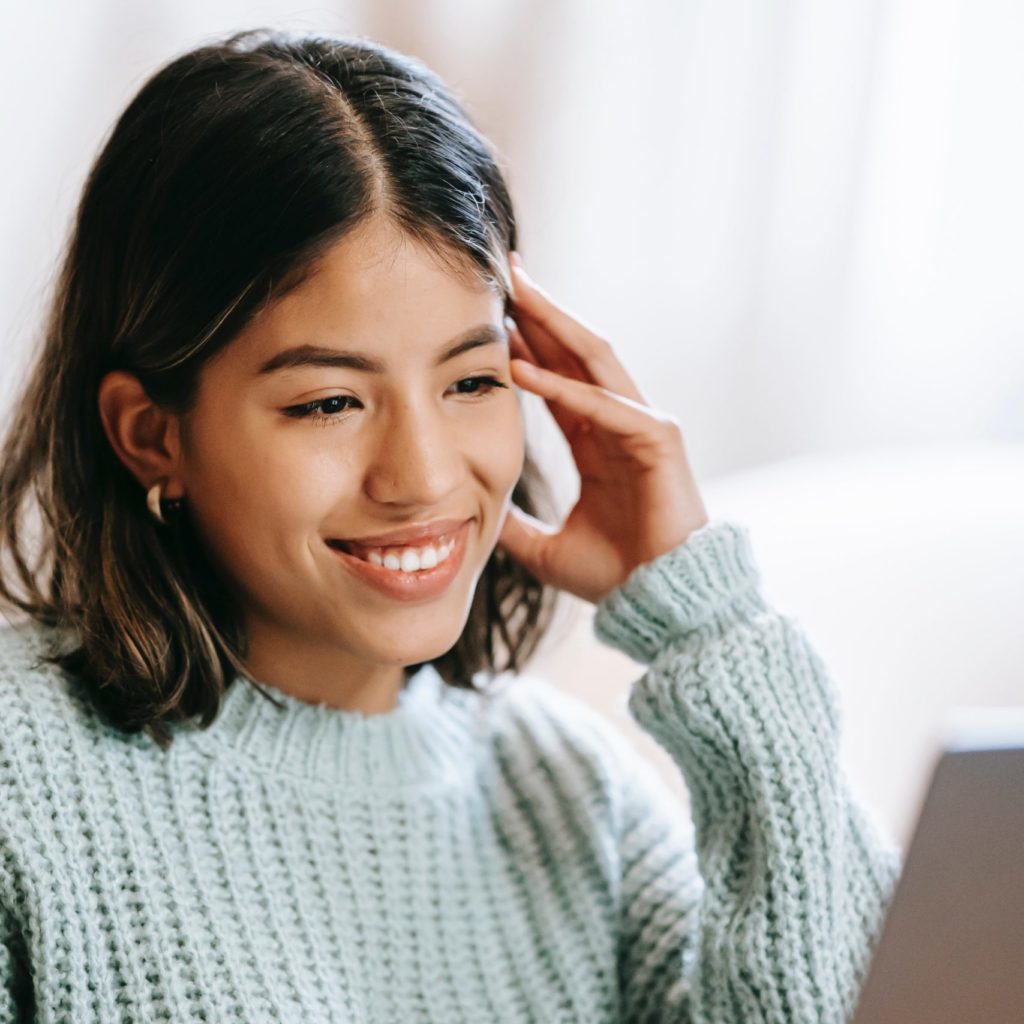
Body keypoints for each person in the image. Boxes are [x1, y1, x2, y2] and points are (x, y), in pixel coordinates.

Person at [0, 26, 901, 1023]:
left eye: (472, 381)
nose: (424, 474)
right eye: (330, 402)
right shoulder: (22, 775)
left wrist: (707, 618)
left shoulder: (571, 797)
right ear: (149, 434)